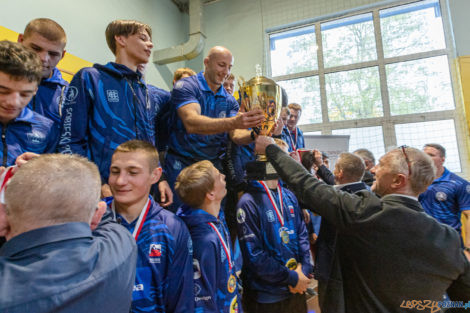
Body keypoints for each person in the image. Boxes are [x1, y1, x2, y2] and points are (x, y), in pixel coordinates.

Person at [255, 136, 470, 312]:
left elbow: (309, 187)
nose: (373, 170)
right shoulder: (449, 238)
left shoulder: (366, 212)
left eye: (381, 165)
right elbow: (465, 300)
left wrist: (273, 151)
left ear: (398, 181)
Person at [0, 154, 137, 312]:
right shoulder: (121, 247)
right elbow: (103, 216)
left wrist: (39, 175)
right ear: (97, 215)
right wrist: (57, 175)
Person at [58, 20, 172, 206]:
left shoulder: (144, 90)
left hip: (143, 194)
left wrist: (160, 176)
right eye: (143, 38)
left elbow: (149, 141)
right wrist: (96, 183)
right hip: (103, 193)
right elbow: (70, 141)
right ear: (120, 39)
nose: (150, 44)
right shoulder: (91, 78)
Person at [164, 46, 265, 210]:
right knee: (181, 216)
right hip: (182, 163)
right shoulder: (187, 86)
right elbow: (191, 123)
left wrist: (254, 133)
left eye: (229, 67)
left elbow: (236, 135)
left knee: (213, 218)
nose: (225, 71)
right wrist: (235, 122)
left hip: (211, 166)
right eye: (221, 65)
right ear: (206, 62)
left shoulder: (229, 100)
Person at [106, 140, 193, 313]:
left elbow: (181, 299)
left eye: (133, 172)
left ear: (155, 175)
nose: (121, 181)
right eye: (115, 171)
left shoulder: (172, 228)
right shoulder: (94, 219)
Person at [236, 139, 312, 313]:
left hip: (296, 287)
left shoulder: (288, 196)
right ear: (268, 164)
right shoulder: (248, 202)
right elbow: (254, 255)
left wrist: (304, 270)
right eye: (281, 158)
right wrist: (291, 277)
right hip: (268, 295)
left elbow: (302, 235)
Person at [175, 160, 241, 313]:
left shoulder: (216, 218)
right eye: (218, 176)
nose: (224, 175)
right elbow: (201, 297)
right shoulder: (203, 239)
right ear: (211, 194)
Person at [312, 151, 369, 311]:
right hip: (357, 271)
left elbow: (307, 189)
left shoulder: (335, 198)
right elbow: (334, 182)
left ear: (340, 172)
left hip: (332, 270)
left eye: (335, 167)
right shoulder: (368, 194)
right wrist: (321, 166)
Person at [0, 40, 58, 167]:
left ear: (35, 90)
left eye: (25, 94)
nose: (13, 102)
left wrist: (40, 170)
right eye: (3, 91)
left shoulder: (47, 128)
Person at [18, 18, 68, 129]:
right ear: (20, 40)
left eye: (53, 54)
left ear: (62, 55)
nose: (43, 58)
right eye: (36, 48)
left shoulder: (70, 95)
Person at [420, 143, 470, 249]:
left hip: (449, 240)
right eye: (424, 155)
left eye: (431, 155)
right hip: (422, 238)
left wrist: (469, 246)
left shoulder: (459, 183)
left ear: (442, 159)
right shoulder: (416, 181)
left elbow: (468, 214)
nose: (426, 158)